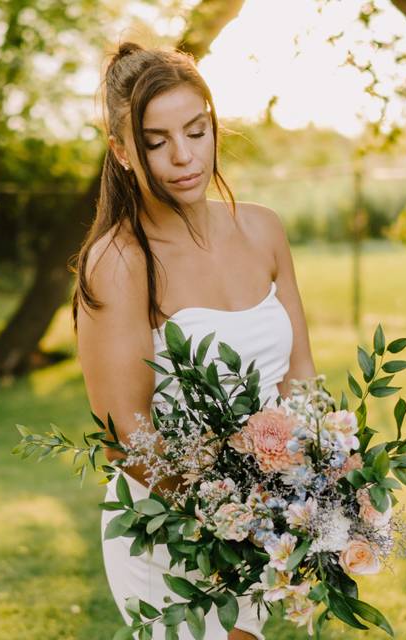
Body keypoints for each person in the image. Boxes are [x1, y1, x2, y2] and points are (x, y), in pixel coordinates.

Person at [71, 41, 316, 640]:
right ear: (123, 152)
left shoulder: (262, 228)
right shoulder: (118, 261)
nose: (184, 157)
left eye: (197, 131)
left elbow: (302, 373)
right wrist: (234, 511)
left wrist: (317, 481)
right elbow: (124, 436)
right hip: (166, 527)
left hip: (261, 520)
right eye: (156, 142)